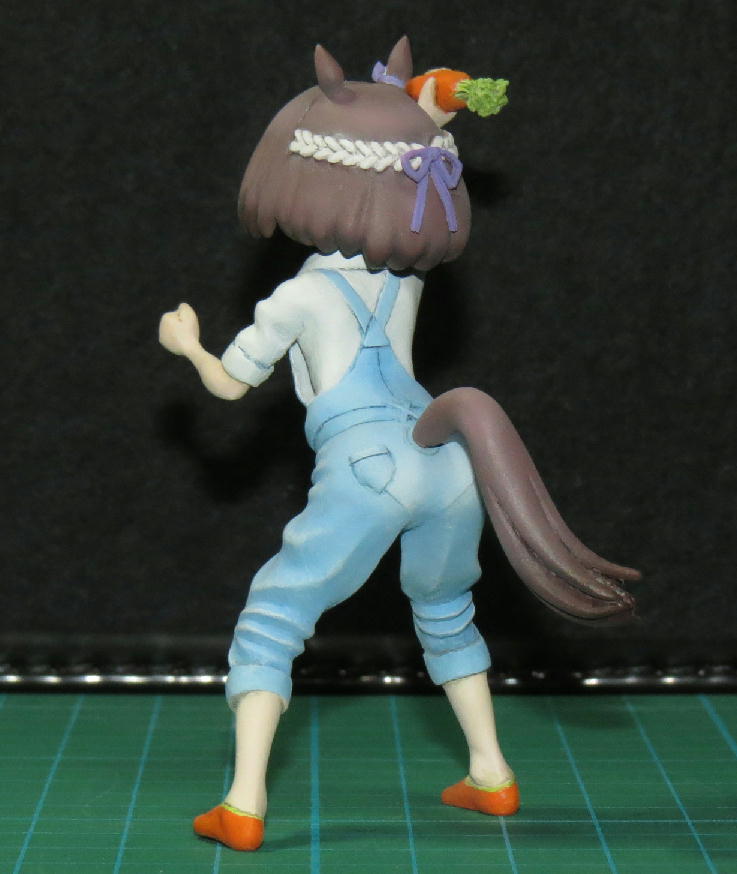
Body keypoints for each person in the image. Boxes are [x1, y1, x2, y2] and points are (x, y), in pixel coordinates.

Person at [159, 37, 638, 852]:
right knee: (446, 610)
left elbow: (232, 387)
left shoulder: (299, 296)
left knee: (273, 616)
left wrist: (189, 347)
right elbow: (421, 129)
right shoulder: (408, 280)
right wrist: (433, 105)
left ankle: (243, 801)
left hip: (367, 463)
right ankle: (490, 771)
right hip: (447, 459)